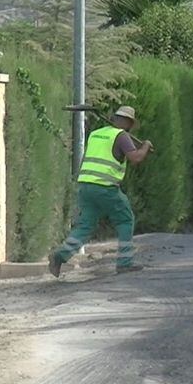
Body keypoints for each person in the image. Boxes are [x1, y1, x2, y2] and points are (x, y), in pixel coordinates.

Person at [48, 106, 154, 277]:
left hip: (85, 186)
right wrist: (146, 146)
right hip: (106, 187)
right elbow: (135, 158)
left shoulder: (96, 134)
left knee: (85, 225)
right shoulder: (121, 136)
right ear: (128, 123)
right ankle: (124, 263)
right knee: (126, 219)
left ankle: (59, 256)